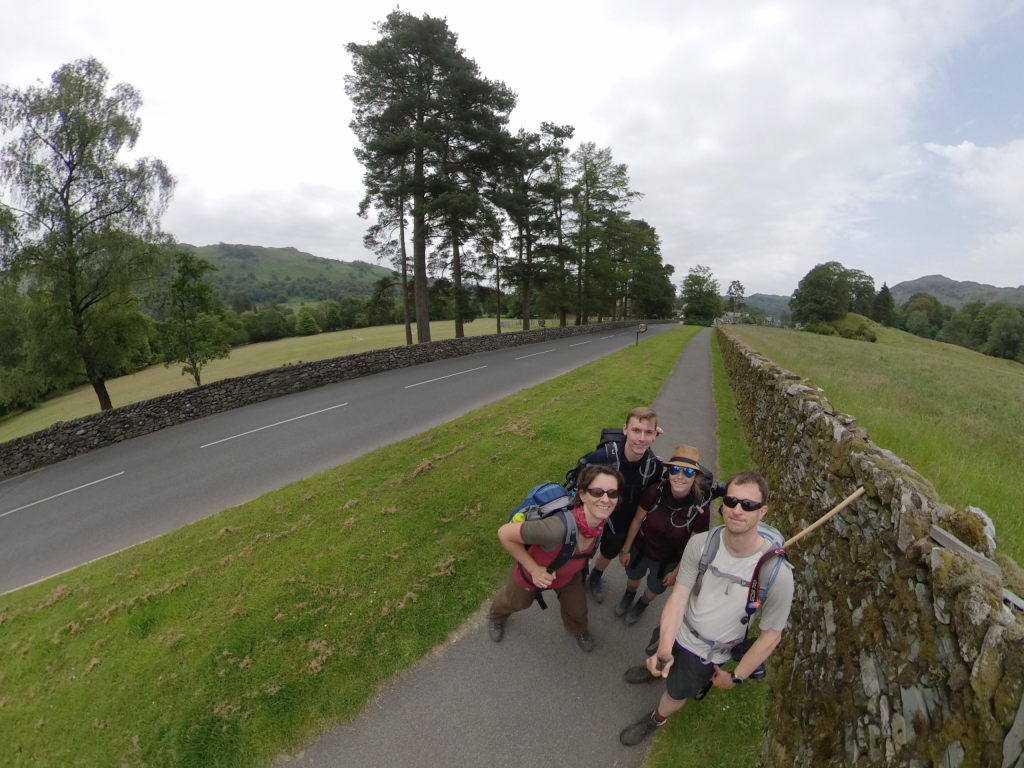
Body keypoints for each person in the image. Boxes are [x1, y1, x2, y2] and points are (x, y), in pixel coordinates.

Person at [618, 470, 794, 746]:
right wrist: (665, 648)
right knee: (654, 652)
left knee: (676, 693)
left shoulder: (777, 575)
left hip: (706, 653)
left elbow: (772, 635)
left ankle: (656, 717)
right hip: (678, 628)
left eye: (748, 505)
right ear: (723, 504)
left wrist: (736, 676)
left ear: (763, 512)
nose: (737, 510)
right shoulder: (702, 544)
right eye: (732, 501)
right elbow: (678, 597)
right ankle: (655, 666)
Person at [488, 464, 625, 653]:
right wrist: (535, 569)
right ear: (583, 495)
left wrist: (585, 557)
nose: (605, 499)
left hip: (568, 576)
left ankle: (578, 629)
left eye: (612, 493)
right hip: (531, 573)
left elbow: (587, 542)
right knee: (516, 602)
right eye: (597, 492)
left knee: (577, 611)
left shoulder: (599, 523)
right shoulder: (556, 529)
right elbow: (504, 534)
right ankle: (496, 617)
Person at [614, 444, 712, 625]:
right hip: (641, 548)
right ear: (668, 472)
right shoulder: (654, 491)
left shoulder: (700, 510)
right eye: (675, 470)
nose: (680, 477)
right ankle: (629, 595)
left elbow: (696, 546)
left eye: (688, 473)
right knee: (633, 575)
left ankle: (642, 604)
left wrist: (677, 572)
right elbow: (637, 520)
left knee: (655, 586)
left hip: (668, 559)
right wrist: (626, 549)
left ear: (695, 477)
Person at [575, 406, 663, 603]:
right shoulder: (602, 457)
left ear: (655, 435)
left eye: (648, 432)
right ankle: (578, 574)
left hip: (622, 522)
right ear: (625, 430)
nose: (641, 438)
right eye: (636, 430)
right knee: (583, 548)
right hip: (592, 516)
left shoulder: (654, 467)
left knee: (608, 552)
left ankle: (596, 576)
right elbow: (578, 483)